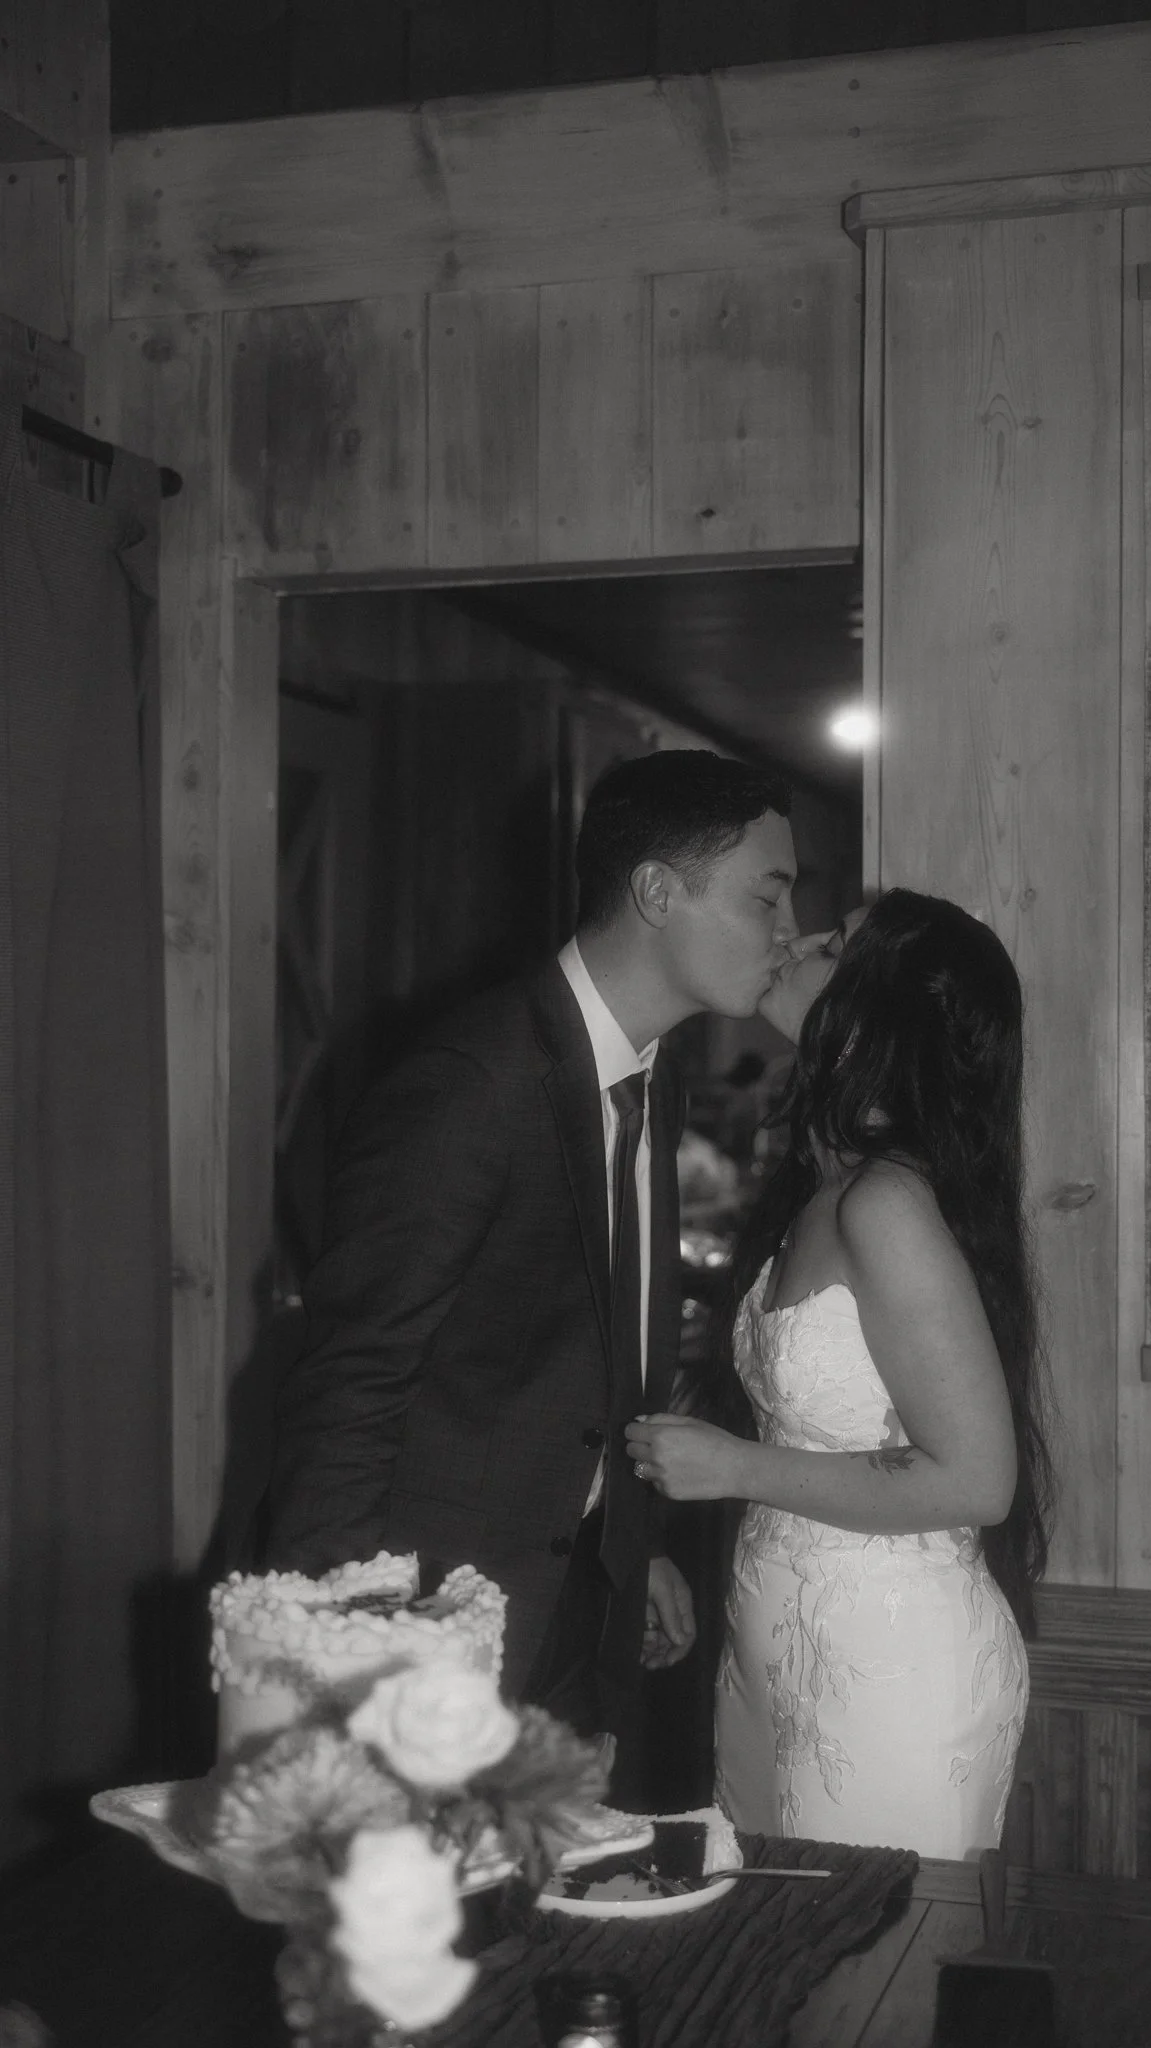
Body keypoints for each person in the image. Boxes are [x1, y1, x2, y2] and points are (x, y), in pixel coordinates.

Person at [265, 750, 800, 1802]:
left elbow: (586, 1358)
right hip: (421, 1626)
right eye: (767, 895)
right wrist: (340, 1664)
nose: (788, 931)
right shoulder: (472, 1081)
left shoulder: (648, 1074)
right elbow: (348, 1383)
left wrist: (626, 1544)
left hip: (565, 1600)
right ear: (657, 890)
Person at [626, 890, 1054, 1854]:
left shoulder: (886, 1204)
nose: (797, 941)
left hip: (887, 1672)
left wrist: (737, 1468)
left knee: (868, 1988)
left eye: (834, 943)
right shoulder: (826, 1184)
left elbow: (977, 1481)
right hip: (780, 1646)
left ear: (884, 1006)